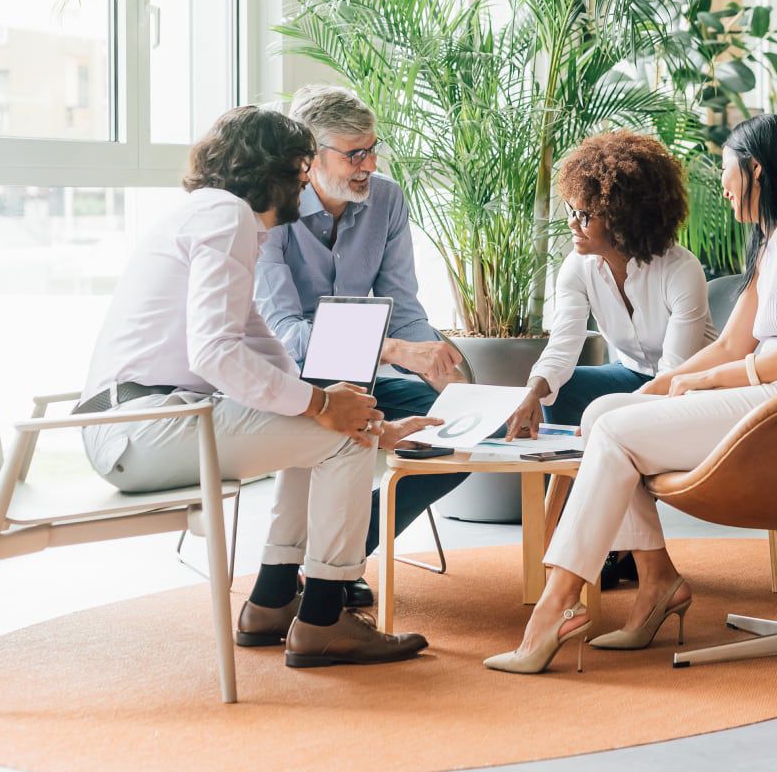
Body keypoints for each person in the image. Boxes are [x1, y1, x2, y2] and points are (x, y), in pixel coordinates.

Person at [484, 113, 777, 674]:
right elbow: (735, 341)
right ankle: (658, 581)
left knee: (613, 430)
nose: (726, 185)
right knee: (601, 416)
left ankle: (552, 612)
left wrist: (703, 379)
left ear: (755, 169)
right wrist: (666, 386)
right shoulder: (775, 240)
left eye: (728, 171)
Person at [78, 106, 436, 668]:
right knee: (339, 438)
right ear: (276, 169)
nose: (305, 179)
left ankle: (271, 602)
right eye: (300, 166)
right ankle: (323, 619)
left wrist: (357, 416)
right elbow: (215, 353)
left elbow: (259, 343)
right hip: (142, 428)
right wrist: (326, 408)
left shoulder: (213, 215)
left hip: (137, 423)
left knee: (325, 429)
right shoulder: (227, 218)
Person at [255, 85, 468, 605]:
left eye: (371, 149)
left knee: (465, 432)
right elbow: (286, 335)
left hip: (367, 377)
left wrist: (441, 370)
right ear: (308, 157)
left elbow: (405, 306)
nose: (368, 164)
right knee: (351, 429)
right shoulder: (271, 209)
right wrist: (393, 351)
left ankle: (342, 554)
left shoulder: (387, 199)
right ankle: (331, 572)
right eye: (354, 153)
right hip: (297, 384)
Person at [504, 130, 714, 439]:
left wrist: (608, 418)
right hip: (632, 374)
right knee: (560, 389)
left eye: (584, 215)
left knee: (608, 414)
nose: (572, 223)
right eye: (570, 210)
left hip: (692, 387)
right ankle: (564, 480)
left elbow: (672, 374)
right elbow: (562, 348)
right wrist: (533, 391)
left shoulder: (680, 270)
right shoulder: (577, 268)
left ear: (622, 217)